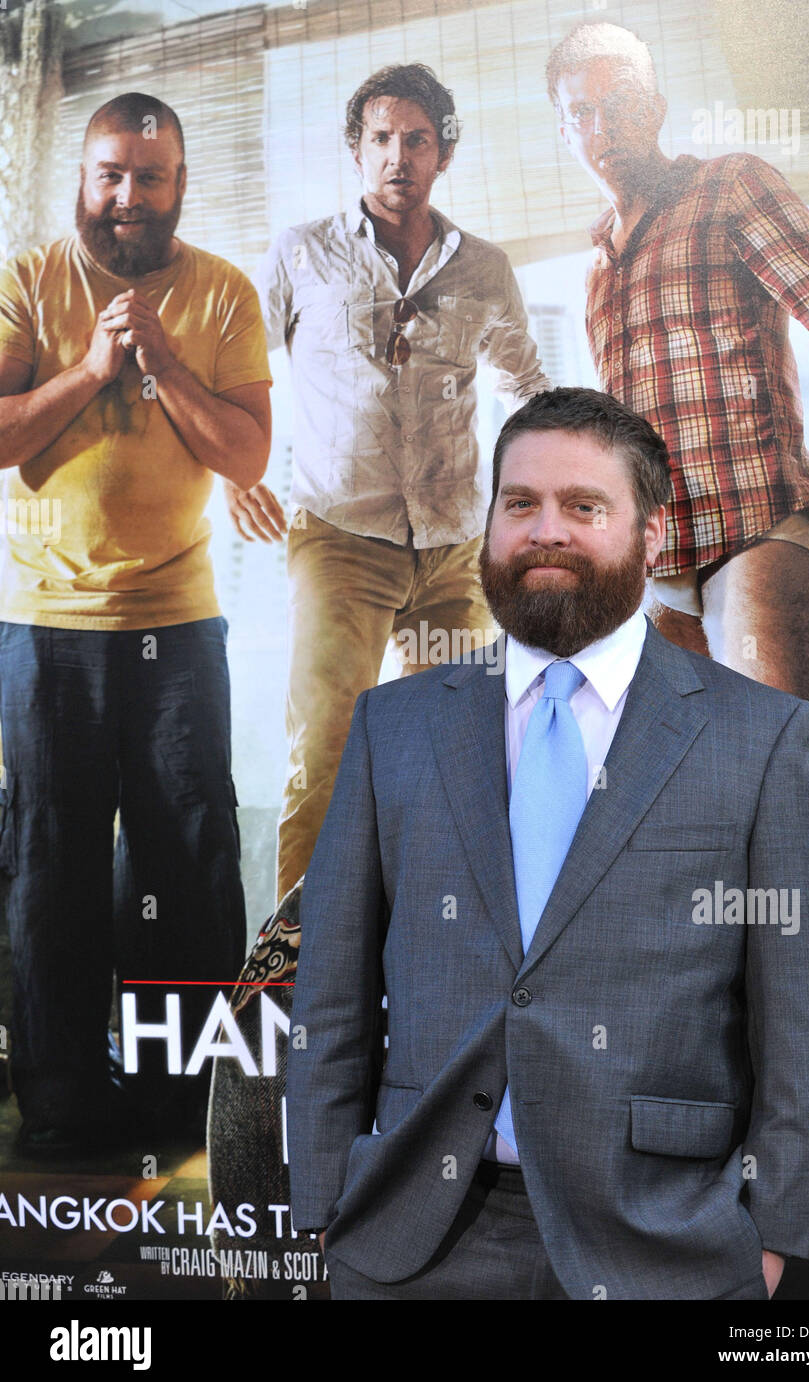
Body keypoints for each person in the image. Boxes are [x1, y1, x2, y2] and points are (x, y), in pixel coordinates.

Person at [285, 386, 809, 1301]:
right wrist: (323, 1205)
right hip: (408, 1241)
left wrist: (773, 1232)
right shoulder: (394, 727)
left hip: (666, 1242)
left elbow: (806, 1016)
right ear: (489, 526)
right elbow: (333, 987)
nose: (545, 530)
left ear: (650, 537)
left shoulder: (759, 736)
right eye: (520, 504)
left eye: (583, 506)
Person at [0, 92, 272, 1154]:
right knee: (51, 858)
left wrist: (161, 359)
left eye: (147, 178)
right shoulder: (28, 281)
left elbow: (245, 455)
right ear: (82, 173)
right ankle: (63, 1105)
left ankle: (185, 1095)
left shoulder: (221, 294)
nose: (125, 197)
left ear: (179, 185)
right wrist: (96, 367)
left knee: (190, 858)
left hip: (177, 620)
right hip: (45, 623)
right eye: (109, 173)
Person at [227, 63, 549, 902]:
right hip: (338, 541)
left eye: (416, 139)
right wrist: (234, 473)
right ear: (354, 150)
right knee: (324, 754)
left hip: (453, 549)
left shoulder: (484, 268)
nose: (396, 156)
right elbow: (228, 369)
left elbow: (529, 390)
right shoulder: (303, 253)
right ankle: (295, 980)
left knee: (462, 759)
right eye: (379, 139)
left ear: (442, 152)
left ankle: (432, 960)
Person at [546, 20, 809, 749]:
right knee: (696, 794)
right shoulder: (596, 273)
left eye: (619, 102)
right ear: (565, 132)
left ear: (656, 106)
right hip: (656, 563)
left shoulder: (728, 185)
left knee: (777, 766)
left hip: (755, 524)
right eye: (581, 112)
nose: (602, 125)